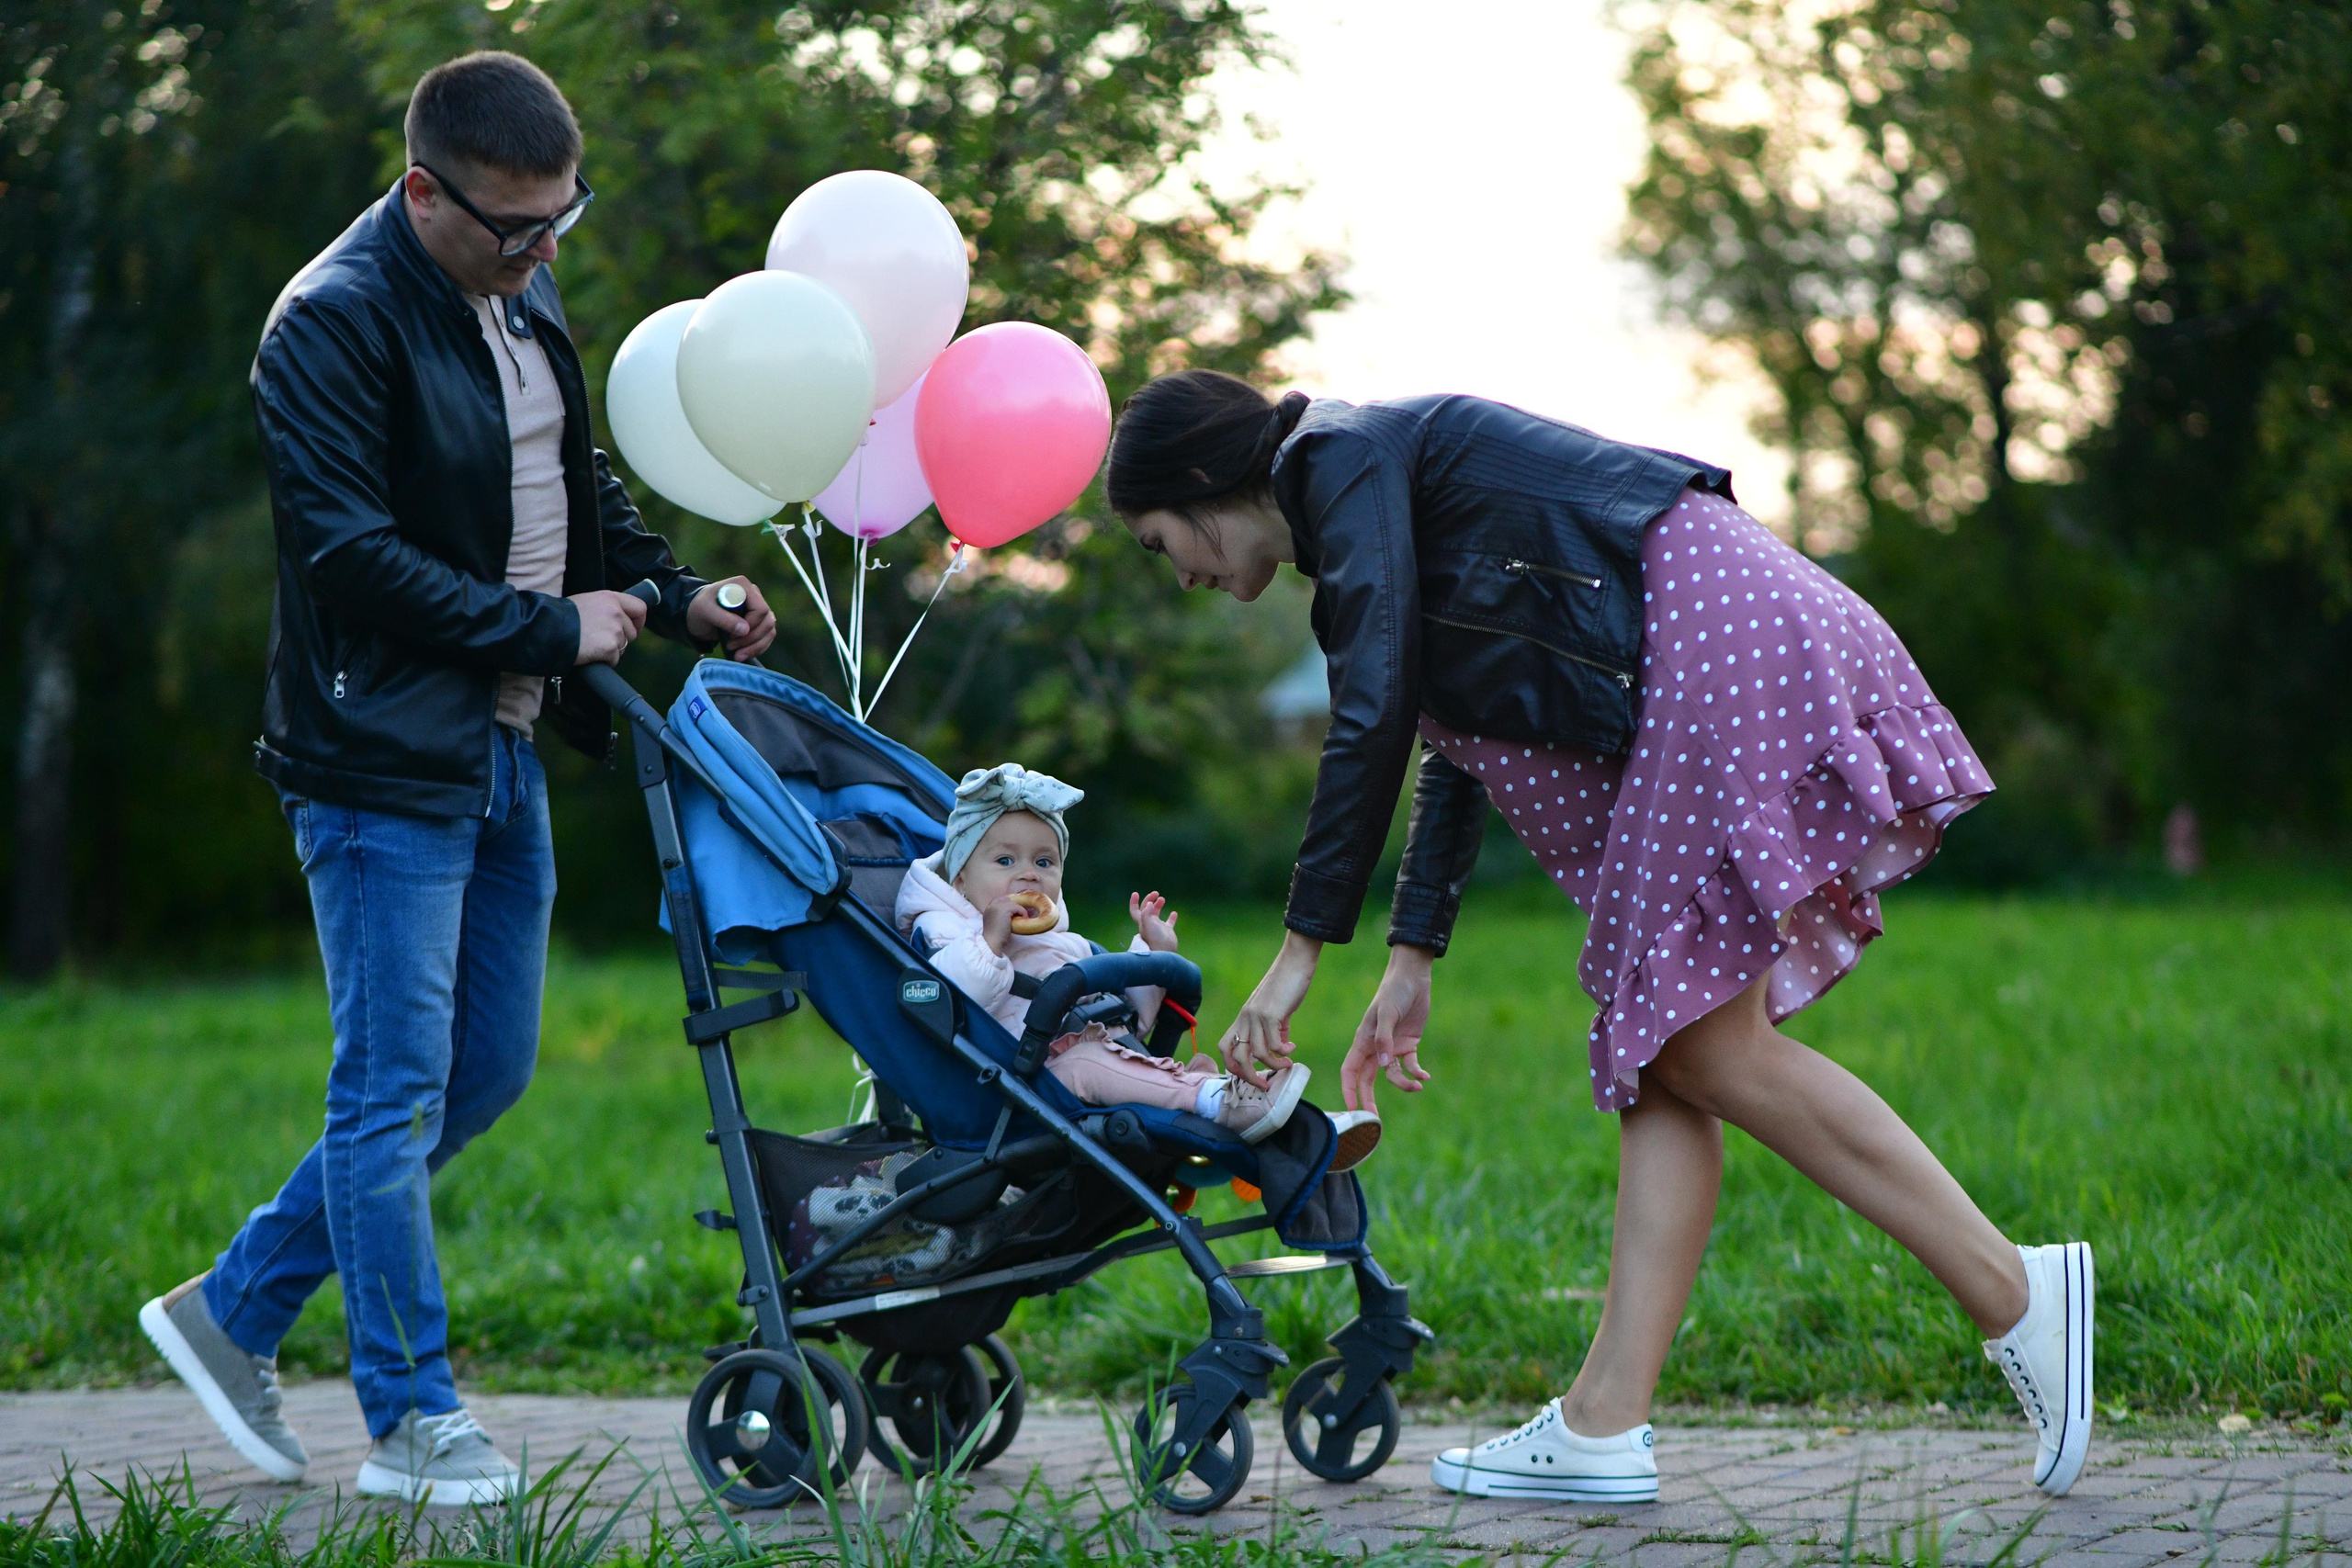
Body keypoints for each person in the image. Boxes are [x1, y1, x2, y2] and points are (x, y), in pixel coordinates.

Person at [1103, 372, 2094, 1504]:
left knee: (1705, 1049)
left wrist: (1299, 953)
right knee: (1670, 1049)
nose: (1178, 573)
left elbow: (1375, 707)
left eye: (1156, 540)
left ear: (1193, 480)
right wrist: (1410, 954)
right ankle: (1604, 1423)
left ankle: (2013, 1290)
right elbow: (1448, 731)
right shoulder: (1350, 505)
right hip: (1691, 646)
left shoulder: (1334, 460)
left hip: (1703, 633)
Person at [135, 51, 778, 1506]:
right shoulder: (328, 324)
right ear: (425, 190)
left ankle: (231, 1308)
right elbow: (351, 560)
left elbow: (572, 485)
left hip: (497, 739)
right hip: (375, 757)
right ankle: (411, 1417)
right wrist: (553, 628)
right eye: (516, 226)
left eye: (566, 218)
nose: (546, 248)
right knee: (389, 1085)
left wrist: (674, 596)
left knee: (479, 1069)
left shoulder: (516, 280)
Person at [898, 764, 1383, 1169]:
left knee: (1126, 1058)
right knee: (1097, 1064)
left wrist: (1152, 958)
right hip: (1027, 1086)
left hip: (1100, 1056)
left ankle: (1297, 1130)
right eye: (1005, 860)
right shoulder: (950, 936)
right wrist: (990, 942)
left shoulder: (1062, 944)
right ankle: (1220, 1105)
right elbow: (952, 999)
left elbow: (1127, 1016)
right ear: (960, 877)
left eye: (1045, 862)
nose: (1029, 874)